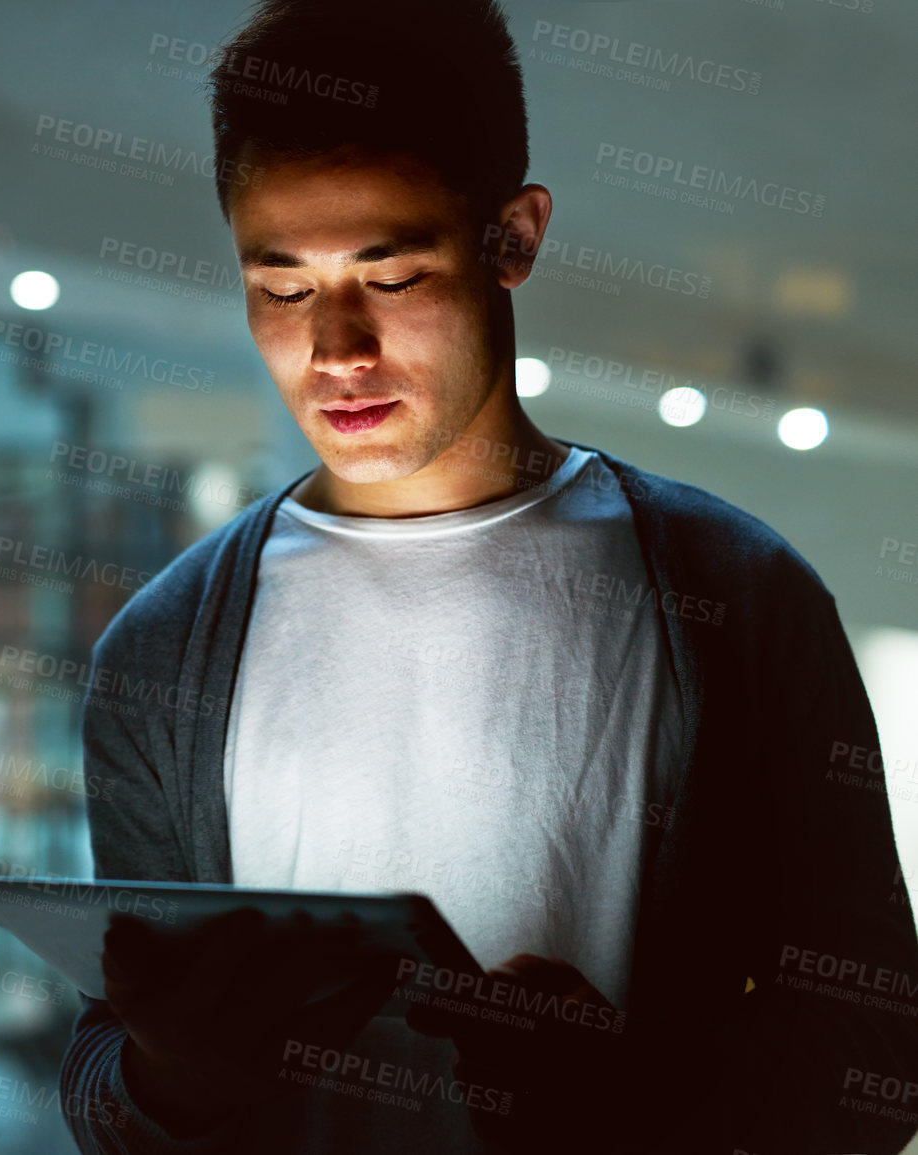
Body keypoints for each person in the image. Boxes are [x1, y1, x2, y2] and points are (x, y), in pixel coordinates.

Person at [56, 0, 918, 1151]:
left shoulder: (741, 597)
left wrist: (636, 1089)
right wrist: (180, 1077)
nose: (337, 351)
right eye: (284, 288)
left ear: (512, 238)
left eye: (393, 275)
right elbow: (104, 1072)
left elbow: (878, 1049)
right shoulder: (162, 647)